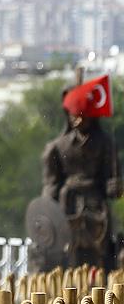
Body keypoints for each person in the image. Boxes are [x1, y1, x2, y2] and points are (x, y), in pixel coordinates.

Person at [42, 87, 122, 269]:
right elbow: (51, 184)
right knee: (67, 249)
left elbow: (111, 180)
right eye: (75, 115)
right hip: (68, 202)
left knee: (99, 250)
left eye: (83, 115)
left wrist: (114, 186)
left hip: (95, 202)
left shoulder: (105, 144)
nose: (78, 120)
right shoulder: (58, 147)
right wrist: (47, 211)